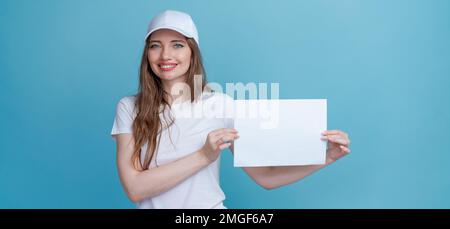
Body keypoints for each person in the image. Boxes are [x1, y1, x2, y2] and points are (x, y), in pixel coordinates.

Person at [111, 10, 351, 209]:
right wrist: (204, 155)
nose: (166, 55)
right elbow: (135, 188)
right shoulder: (129, 108)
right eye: (155, 46)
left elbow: (265, 176)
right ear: (147, 54)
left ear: (192, 52)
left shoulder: (220, 105)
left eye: (177, 45)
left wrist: (326, 157)